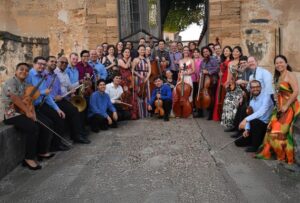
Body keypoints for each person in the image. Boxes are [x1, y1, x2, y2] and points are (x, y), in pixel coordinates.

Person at [2, 63, 54, 170]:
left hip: (22, 112)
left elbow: (30, 101)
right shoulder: (11, 82)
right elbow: (15, 98)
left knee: (40, 123)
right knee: (33, 128)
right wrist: (27, 111)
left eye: (26, 70)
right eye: (21, 69)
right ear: (16, 71)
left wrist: (33, 113)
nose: (24, 72)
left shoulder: (26, 84)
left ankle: (41, 152)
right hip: (11, 114)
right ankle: (28, 158)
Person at [256, 55, 300, 164]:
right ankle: (278, 154)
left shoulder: (290, 75)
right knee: (271, 129)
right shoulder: (278, 76)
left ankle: (284, 156)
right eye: (277, 63)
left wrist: (286, 105)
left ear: (286, 63)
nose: (279, 65)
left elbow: (295, 91)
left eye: (281, 62)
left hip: (290, 107)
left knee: (278, 131)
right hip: (280, 107)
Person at [26, 56, 68, 151]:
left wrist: (57, 109)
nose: (42, 66)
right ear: (34, 64)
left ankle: (56, 145)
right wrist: (42, 92)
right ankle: (43, 150)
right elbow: (27, 94)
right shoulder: (29, 76)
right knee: (47, 124)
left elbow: (47, 95)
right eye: (39, 64)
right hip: (32, 106)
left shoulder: (42, 75)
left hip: (41, 104)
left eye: (44, 65)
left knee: (59, 117)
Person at [52, 56, 91, 144]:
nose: (64, 64)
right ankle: (77, 136)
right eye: (62, 62)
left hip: (66, 97)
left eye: (65, 63)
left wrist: (80, 83)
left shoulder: (65, 73)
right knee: (74, 110)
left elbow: (70, 86)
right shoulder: (55, 73)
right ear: (57, 62)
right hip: (58, 99)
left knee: (80, 109)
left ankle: (79, 132)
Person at [235, 80, 274, 152]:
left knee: (255, 121)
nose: (255, 89)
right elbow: (251, 115)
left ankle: (256, 146)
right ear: (250, 88)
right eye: (253, 87)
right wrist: (247, 129)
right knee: (237, 143)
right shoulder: (252, 101)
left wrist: (246, 119)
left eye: (257, 87)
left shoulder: (266, 97)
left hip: (265, 126)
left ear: (261, 87)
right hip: (254, 126)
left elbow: (262, 111)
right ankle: (252, 140)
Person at [221, 46, 243, 129]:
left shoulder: (242, 62)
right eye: (233, 51)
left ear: (240, 53)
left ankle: (237, 124)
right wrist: (226, 84)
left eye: (237, 51)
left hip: (240, 86)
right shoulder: (230, 63)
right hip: (232, 86)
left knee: (235, 104)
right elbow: (229, 76)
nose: (234, 53)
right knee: (227, 102)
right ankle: (230, 124)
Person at [212, 46, 232, 121]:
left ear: (230, 52)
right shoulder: (222, 60)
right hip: (221, 79)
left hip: (227, 79)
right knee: (219, 97)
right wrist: (219, 73)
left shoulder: (231, 61)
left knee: (226, 97)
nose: (225, 52)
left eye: (227, 50)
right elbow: (220, 70)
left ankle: (226, 116)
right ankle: (219, 115)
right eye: (224, 51)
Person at [132, 45, 152, 119]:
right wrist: (140, 76)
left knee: (147, 94)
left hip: (146, 78)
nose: (142, 51)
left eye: (143, 50)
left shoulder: (147, 59)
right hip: (138, 78)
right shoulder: (135, 59)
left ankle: (147, 113)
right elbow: (133, 70)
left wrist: (147, 78)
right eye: (141, 50)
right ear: (138, 51)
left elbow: (150, 70)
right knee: (139, 94)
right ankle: (140, 113)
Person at [200, 46, 219, 120]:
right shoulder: (203, 61)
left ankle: (211, 113)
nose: (205, 53)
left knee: (212, 97)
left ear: (209, 52)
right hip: (205, 81)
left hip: (212, 80)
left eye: (206, 51)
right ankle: (208, 110)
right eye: (204, 52)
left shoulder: (213, 59)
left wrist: (208, 72)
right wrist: (201, 72)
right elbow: (201, 70)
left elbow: (217, 68)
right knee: (207, 96)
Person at [191, 48, 202, 115]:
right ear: (193, 53)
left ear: (199, 53)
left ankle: (199, 108)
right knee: (193, 94)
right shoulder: (191, 60)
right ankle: (193, 107)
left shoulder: (201, 61)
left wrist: (199, 77)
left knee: (198, 94)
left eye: (197, 52)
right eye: (194, 52)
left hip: (199, 79)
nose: (196, 53)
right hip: (192, 79)